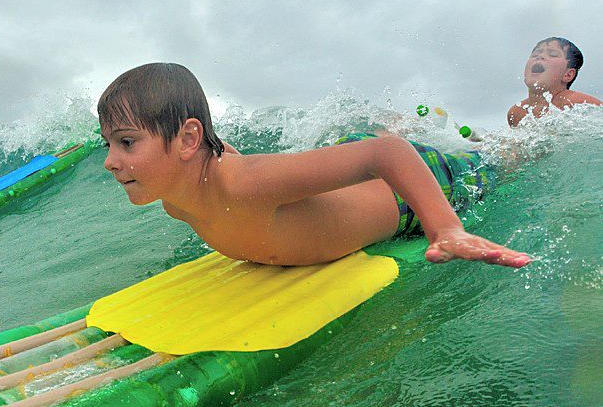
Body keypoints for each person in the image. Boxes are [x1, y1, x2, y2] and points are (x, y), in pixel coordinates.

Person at [98, 63, 531, 269]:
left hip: (404, 187)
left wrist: (446, 230)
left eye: (127, 142)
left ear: (189, 140)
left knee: (500, 164)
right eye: (109, 144)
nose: (109, 162)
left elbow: (391, 154)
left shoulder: (244, 185)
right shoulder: (176, 199)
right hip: (348, 169)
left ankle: (528, 141)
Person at [508, 37, 601, 127]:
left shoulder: (575, 102)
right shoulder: (517, 112)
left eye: (553, 55)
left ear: (568, 75)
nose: (540, 57)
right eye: (535, 55)